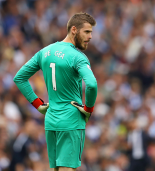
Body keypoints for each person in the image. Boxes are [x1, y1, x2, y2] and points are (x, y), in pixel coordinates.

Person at [13, 12, 98, 171]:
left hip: (51, 120)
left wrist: (38, 104)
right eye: (87, 31)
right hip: (71, 121)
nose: (90, 36)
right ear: (74, 30)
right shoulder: (77, 57)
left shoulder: (45, 52)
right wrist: (88, 109)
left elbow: (19, 78)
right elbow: (92, 85)